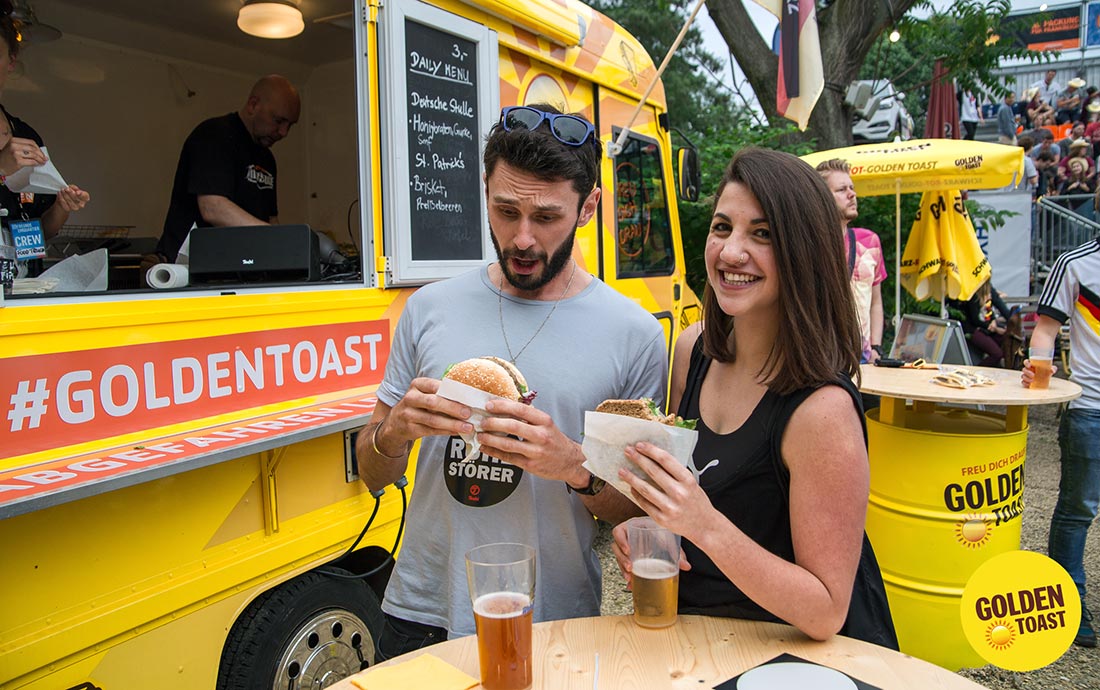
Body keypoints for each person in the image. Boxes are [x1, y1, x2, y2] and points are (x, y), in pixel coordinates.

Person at [355, 103, 667, 659]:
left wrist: (573, 464)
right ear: (485, 193)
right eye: (505, 211)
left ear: (588, 205)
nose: (521, 238)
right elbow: (372, 473)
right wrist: (395, 430)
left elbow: (639, 508)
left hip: (552, 616)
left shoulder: (634, 334)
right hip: (419, 610)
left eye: (546, 217)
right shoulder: (428, 308)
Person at [611, 148, 897, 647]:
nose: (730, 252)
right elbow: (687, 500)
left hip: (791, 662)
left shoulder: (821, 409)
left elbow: (827, 609)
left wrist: (703, 526)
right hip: (690, 642)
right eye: (722, 227)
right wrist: (650, 529)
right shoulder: (691, 352)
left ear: (802, 250)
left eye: (761, 234)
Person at [1021, 237, 1100, 648]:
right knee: (1078, 508)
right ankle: (1069, 602)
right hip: (1090, 406)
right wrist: (1039, 372)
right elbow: (1046, 330)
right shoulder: (1076, 263)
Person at [155, 74, 301, 263]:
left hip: (237, 267)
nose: (284, 132)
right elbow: (212, 207)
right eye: (278, 121)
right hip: (187, 266)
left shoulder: (266, 158)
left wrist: (286, 255)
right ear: (253, 105)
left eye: (290, 125)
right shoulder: (215, 135)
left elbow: (270, 218)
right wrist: (277, 237)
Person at [0, 0, 90, 275]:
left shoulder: (25, 134)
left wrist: (61, 208)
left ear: (11, 62)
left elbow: (41, 231)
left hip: (24, 284)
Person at [816, 159, 886, 365]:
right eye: (841, 189)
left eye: (852, 188)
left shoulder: (869, 241)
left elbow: (876, 302)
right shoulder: (807, 244)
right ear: (822, 197)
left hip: (862, 357)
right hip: (820, 356)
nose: (852, 194)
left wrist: (875, 347)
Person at [950, 280, 1006, 368]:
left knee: (1004, 341)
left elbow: (990, 311)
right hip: (972, 329)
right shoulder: (973, 296)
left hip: (984, 328)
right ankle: (976, 370)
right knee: (997, 354)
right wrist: (991, 327)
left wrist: (993, 321)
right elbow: (975, 319)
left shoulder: (987, 294)